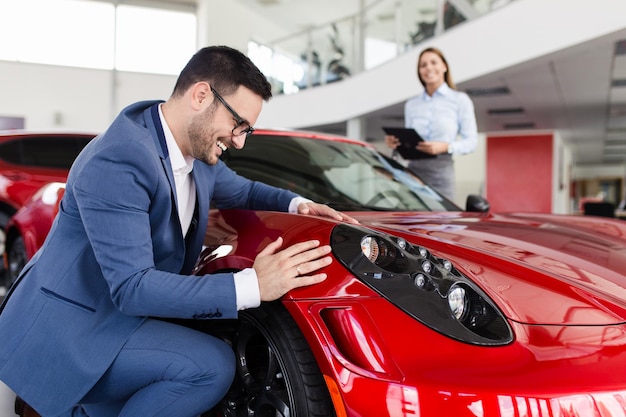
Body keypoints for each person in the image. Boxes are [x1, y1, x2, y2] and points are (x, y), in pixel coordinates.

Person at [0, 45, 357, 417]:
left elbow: (244, 191)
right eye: (238, 125)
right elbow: (132, 289)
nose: (240, 141)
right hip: (73, 330)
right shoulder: (119, 159)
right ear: (201, 95)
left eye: (247, 130)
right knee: (209, 366)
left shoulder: (193, 150)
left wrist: (299, 205)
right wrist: (255, 285)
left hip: (113, 317)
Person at [385, 47, 478, 202]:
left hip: (442, 174)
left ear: (444, 66)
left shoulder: (460, 100)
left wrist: (445, 147)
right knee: (411, 224)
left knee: (443, 223)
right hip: (413, 173)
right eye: (423, 65)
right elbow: (408, 143)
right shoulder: (412, 104)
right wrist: (396, 143)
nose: (428, 68)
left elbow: (472, 142)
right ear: (419, 71)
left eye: (433, 62)